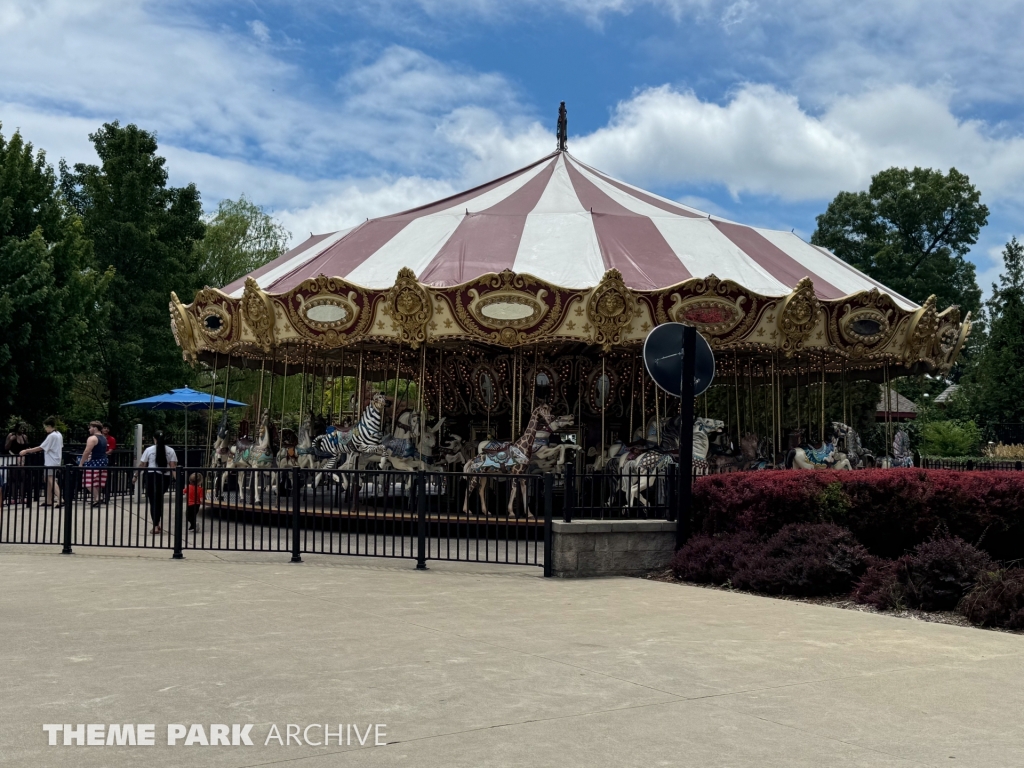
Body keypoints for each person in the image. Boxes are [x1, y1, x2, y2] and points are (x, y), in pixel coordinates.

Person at [136, 432, 177, 534]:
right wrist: (178, 480)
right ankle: (157, 523)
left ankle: (155, 525)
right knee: (159, 500)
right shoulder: (170, 450)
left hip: (152, 476)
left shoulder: (149, 450)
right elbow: (173, 467)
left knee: (153, 501)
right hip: (165, 477)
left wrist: (136, 475)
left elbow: (142, 464)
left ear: (154, 439)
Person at [19, 417, 63, 506]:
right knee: (48, 478)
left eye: (45, 427)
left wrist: (27, 451)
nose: (45, 429)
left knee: (51, 479)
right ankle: (49, 500)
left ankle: (60, 499)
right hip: (56, 459)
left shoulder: (51, 436)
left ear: (49, 426)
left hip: (51, 461)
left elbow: (41, 447)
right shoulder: (59, 434)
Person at [78, 421, 108, 507]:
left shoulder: (92, 438)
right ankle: (96, 499)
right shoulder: (104, 438)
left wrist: (81, 463)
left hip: (94, 462)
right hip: (103, 461)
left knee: (87, 481)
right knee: (97, 482)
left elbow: (87, 451)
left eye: (90, 428)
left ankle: (98, 498)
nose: (89, 429)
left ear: (95, 428)